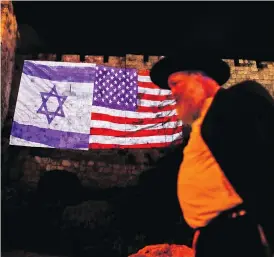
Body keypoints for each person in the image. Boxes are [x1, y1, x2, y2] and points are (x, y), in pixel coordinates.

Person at [149, 52, 274, 257]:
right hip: (215, 236)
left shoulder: (238, 101)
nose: (172, 93)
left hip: (238, 234)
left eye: (175, 83)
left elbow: (263, 163)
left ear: (199, 80)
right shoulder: (201, 125)